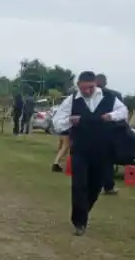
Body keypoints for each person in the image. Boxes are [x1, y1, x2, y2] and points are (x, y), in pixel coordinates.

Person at [51, 71, 129, 236]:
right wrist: (69, 121)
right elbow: (57, 123)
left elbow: (123, 112)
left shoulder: (109, 97)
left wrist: (111, 116)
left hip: (103, 149)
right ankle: (79, 222)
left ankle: (83, 211)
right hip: (80, 148)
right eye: (84, 88)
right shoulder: (72, 100)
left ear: (95, 84)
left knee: (95, 186)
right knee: (79, 184)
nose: (87, 91)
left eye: (90, 87)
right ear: (78, 85)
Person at [96, 74, 123, 195]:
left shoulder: (87, 95)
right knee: (107, 161)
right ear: (105, 82)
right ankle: (108, 186)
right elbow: (121, 115)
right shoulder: (114, 95)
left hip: (90, 131)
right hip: (108, 132)